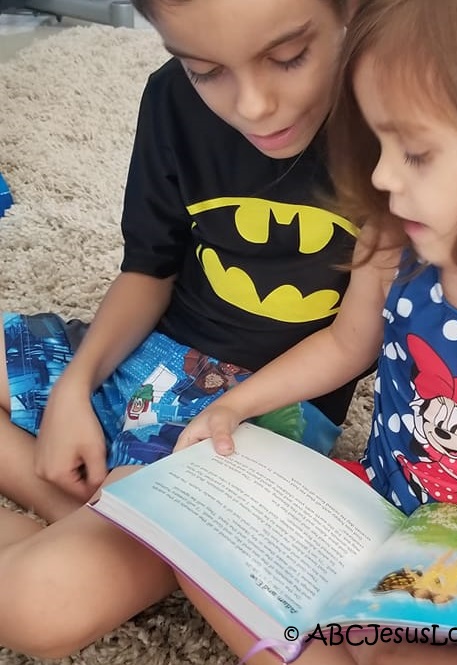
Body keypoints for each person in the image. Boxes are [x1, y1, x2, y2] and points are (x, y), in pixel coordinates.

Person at [177, 0, 457, 663]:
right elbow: (343, 345)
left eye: (413, 151)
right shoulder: (392, 247)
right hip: (381, 523)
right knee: (205, 556)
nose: (380, 175)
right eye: (379, 145)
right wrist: (236, 403)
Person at [0, 0, 366, 657]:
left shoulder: (394, 131)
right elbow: (148, 267)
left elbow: (357, 340)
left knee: (33, 608)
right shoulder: (170, 103)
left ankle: (123, 528)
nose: (254, 104)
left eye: (287, 58)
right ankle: (95, 515)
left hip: (253, 427)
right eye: (204, 69)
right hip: (147, 353)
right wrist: (73, 390)